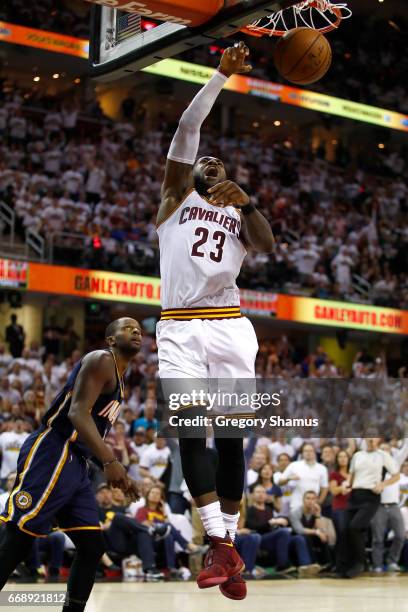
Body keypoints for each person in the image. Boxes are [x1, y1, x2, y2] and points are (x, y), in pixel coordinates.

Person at [156, 42, 273, 601]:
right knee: (187, 430)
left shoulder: (235, 212)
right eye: (207, 162)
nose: (212, 164)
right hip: (179, 325)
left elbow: (268, 244)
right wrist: (220, 76)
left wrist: (247, 203)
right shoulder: (175, 196)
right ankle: (221, 543)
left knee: (230, 441)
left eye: (220, 166)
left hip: (229, 322)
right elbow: (186, 127)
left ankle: (225, 548)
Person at [0, 318, 141, 612]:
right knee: (21, 531)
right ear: (111, 339)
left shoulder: (120, 378)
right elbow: (78, 413)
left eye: (139, 329)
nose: (137, 331)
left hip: (77, 463)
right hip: (55, 447)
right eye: (128, 328)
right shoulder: (102, 359)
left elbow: (92, 429)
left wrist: (117, 472)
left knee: (92, 547)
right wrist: (111, 461)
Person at [336, 437, 399, 578]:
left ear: (378, 440)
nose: (370, 439)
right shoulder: (358, 455)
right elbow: (352, 476)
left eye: (374, 437)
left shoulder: (383, 455)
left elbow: (396, 476)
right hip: (355, 495)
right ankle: (344, 566)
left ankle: (360, 563)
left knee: (355, 527)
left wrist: (383, 484)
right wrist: (347, 485)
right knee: (345, 529)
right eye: (368, 437)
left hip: (371, 496)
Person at [371, 438, 408, 573]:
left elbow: (405, 449)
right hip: (378, 506)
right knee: (378, 539)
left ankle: (392, 561)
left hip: (394, 506)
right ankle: (377, 565)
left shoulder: (395, 464)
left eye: (387, 450)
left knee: (400, 535)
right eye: (382, 450)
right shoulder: (373, 466)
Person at [329, 449, 352, 537]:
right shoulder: (334, 474)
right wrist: (344, 486)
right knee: (342, 532)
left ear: (349, 459)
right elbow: (334, 491)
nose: (342, 459)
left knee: (351, 533)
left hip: (353, 507)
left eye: (345, 456)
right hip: (340, 508)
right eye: (340, 457)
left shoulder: (353, 474)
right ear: (337, 460)